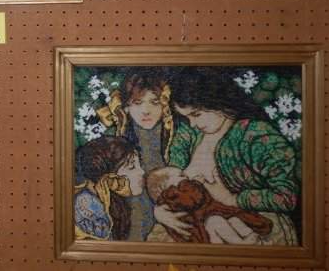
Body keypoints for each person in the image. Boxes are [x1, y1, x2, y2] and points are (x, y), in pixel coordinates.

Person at [149, 68, 299, 245]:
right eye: (186, 117)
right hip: (196, 221)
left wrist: (232, 199)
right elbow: (168, 178)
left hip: (247, 221)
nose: (192, 124)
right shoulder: (188, 134)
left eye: (196, 114)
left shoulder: (256, 136)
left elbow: (286, 197)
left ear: (219, 103)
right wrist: (160, 211)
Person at [95, 72, 176, 240]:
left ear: (164, 104)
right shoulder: (119, 136)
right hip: (129, 208)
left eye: (154, 102)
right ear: (126, 106)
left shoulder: (173, 134)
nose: (146, 111)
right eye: (138, 103)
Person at [146, 166, 273, 244]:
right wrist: (197, 184)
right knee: (215, 221)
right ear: (165, 187)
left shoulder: (176, 195)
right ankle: (242, 244)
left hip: (206, 225)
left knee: (233, 220)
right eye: (181, 175)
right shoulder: (172, 198)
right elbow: (194, 199)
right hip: (202, 236)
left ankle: (254, 240)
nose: (186, 177)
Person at [74, 136, 145, 241]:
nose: (142, 172)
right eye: (132, 167)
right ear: (108, 176)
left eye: (139, 165)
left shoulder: (116, 203)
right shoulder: (86, 204)